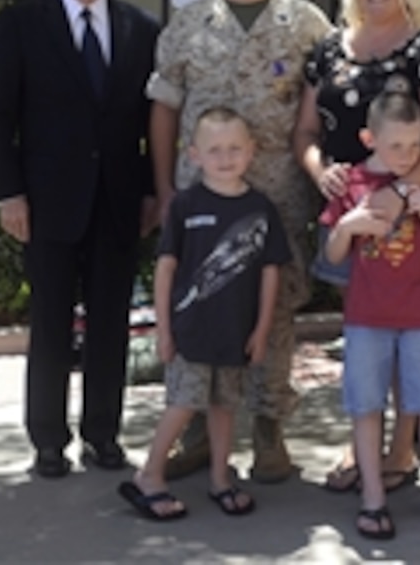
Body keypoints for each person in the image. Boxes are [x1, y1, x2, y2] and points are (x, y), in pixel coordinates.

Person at [147, 0, 332, 483]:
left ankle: (269, 433)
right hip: (201, 199)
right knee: (201, 304)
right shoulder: (186, 25)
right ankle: (201, 433)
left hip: (277, 196)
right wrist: (164, 189)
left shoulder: (308, 24)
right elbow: (164, 111)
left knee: (272, 313)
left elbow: (325, 110)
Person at [0, 0, 159, 478]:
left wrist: (155, 190)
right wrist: (8, 194)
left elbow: (157, 120)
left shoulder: (141, 29)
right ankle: (48, 442)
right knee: (52, 324)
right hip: (46, 202)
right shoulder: (22, 25)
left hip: (118, 202)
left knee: (111, 327)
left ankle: (103, 436)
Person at [293, 0, 420, 493]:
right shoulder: (330, 48)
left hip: (409, 215)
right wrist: (320, 173)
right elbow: (307, 134)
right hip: (348, 214)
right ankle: (361, 441)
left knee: (406, 329)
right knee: (363, 332)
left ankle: (403, 448)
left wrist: (401, 188)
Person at [118, 108, 291, 521]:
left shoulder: (261, 209)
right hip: (189, 332)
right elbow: (166, 268)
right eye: (215, 149)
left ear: (251, 151)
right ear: (194, 154)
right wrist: (164, 328)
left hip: (236, 332)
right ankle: (150, 475)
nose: (226, 157)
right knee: (182, 403)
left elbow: (270, 273)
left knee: (225, 406)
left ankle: (220, 477)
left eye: (235, 148)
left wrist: (262, 329)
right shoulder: (184, 206)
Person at [321, 91, 420, 540]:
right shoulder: (351, 183)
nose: (407, 156)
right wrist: (347, 226)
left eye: (415, 145)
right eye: (396, 146)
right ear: (370, 138)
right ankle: (372, 494)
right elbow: (334, 257)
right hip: (366, 319)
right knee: (367, 406)